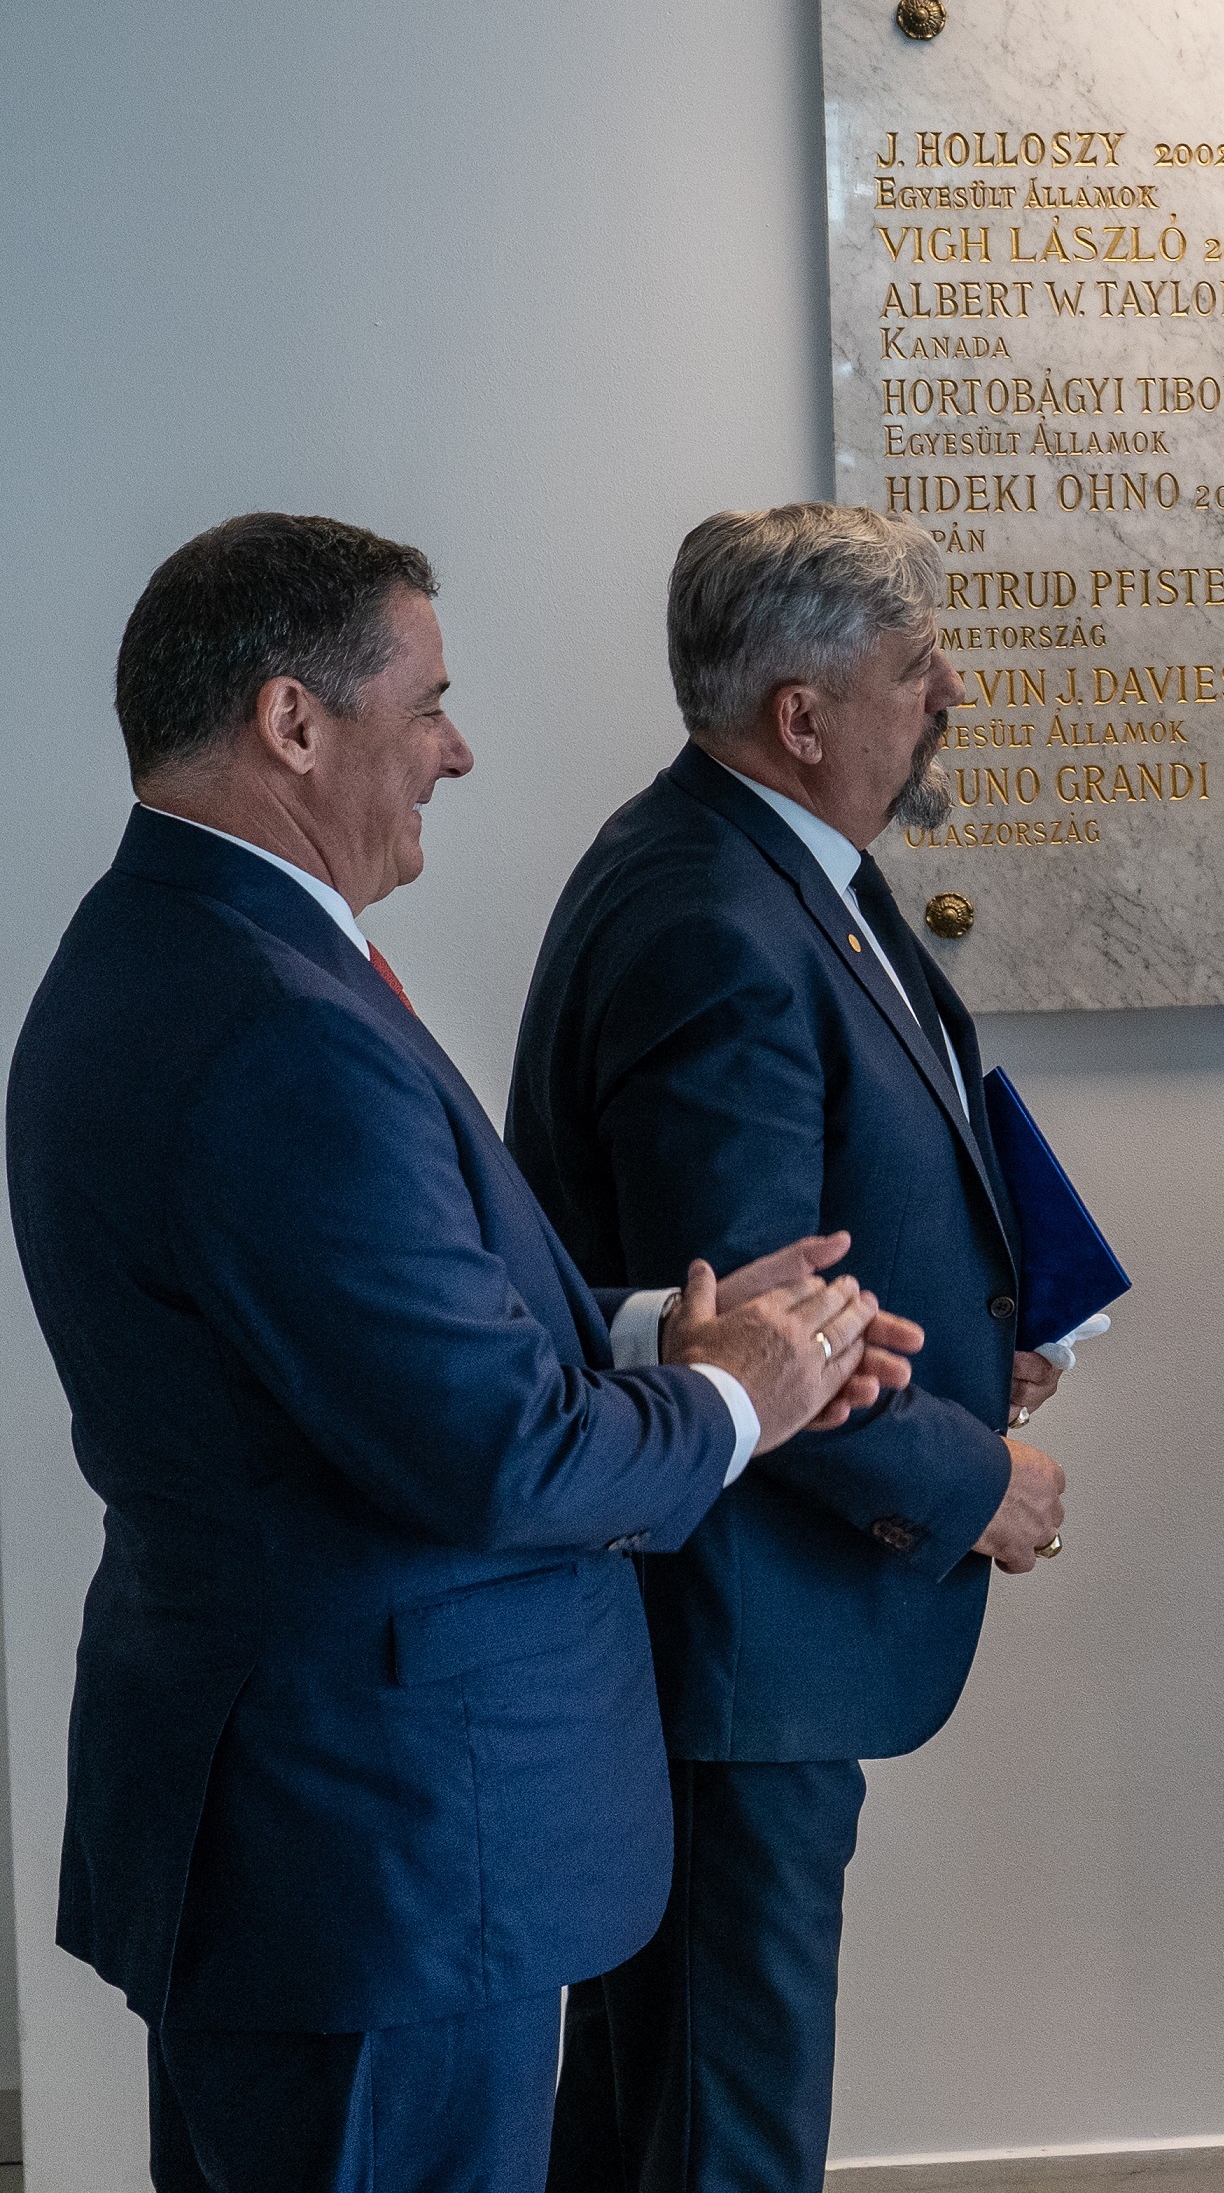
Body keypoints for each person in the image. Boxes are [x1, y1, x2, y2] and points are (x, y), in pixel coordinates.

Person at [7, 511, 907, 2193]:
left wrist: (658, 1330)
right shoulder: (277, 1024)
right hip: (382, 1853)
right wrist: (737, 1396)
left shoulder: (161, 950)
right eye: (426, 702)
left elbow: (373, 1342)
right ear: (293, 722)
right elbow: (493, 1452)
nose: (457, 748)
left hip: (320, 1834)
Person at [509, 504, 1073, 2193]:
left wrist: (982, 1323)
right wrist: (974, 1479)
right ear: (802, 716)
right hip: (737, 1636)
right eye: (915, 667)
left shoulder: (762, 863)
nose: (950, 692)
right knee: (721, 2134)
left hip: (748, 1632)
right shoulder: (713, 915)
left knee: (663, 2117)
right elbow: (744, 1335)